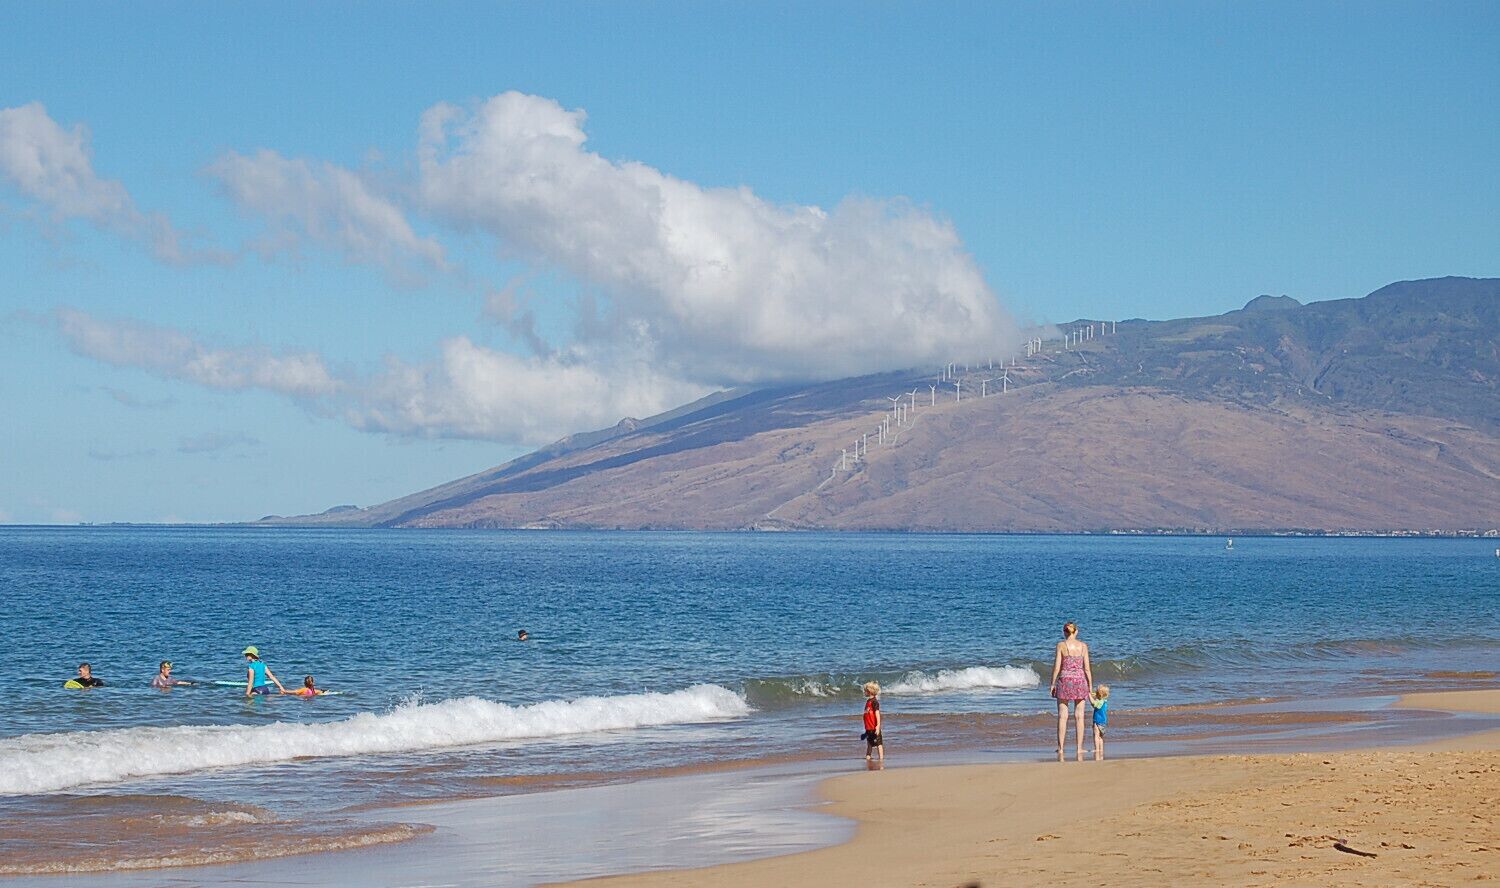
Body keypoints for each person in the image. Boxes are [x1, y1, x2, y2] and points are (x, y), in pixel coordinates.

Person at [1048, 621, 1093, 762]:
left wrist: (1052, 683)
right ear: (1076, 631)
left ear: (1064, 632)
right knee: (1079, 716)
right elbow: (1087, 669)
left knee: (1062, 716)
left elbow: (1057, 667)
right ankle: (1079, 747)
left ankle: (1061, 748)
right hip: (1080, 681)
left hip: (1065, 681)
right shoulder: (1083, 646)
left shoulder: (1061, 646)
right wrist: (1090, 685)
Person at [860, 681, 884, 763]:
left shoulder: (874, 702)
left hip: (874, 727)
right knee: (869, 744)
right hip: (868, 728)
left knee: (878, 743)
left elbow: (877, 714)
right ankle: (868, 757)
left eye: (865, 690)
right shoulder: (868, 702)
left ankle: (881, 759)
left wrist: (878, 725)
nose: (864, 692)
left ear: (869, 691)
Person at [1089, 684, 1110, 761]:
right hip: (1103, 722)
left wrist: (1089, 697)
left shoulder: (1099, 702)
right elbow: (1097, 698)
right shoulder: (1104, 701)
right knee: (1101, 737)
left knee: (1096, 735)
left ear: (1099, 695)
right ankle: (1101, 749)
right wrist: (1092, 694)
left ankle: (1097, 749)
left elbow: (1094, 704)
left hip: (1097, 721)